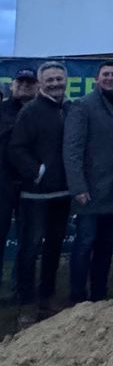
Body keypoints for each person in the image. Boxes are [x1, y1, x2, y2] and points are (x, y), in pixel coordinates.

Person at [63, 61, 113, 304]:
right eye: (106, 74)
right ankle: (77, 297)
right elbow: (72, 149)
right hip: (90, 191)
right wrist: (78, 186)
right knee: (84, 245)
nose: (110, 78)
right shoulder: (82, 105)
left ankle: (99, 295)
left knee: (106, 247)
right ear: (97, 78)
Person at [7, 61, 73, 326]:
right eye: (50, 80)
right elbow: (16, 149)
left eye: (59, 79)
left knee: (54, 249)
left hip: (63, 194)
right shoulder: (31, 111)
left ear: (65, 81)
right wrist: (38, 172)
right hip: (35, 197)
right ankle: (27, 304)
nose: (56, 83)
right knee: (30, 249)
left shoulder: (69, 109)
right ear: (41, 83)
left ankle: (47, 298)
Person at [0, 68, 38, 292]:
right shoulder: (1, 109)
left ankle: (21, 287)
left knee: (29, 241)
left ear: (37, 85)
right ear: (12, 85)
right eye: (20, 81)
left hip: (31, 186)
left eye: (30, 82)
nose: (25, 85)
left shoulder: (40, 110)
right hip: (2, 184)